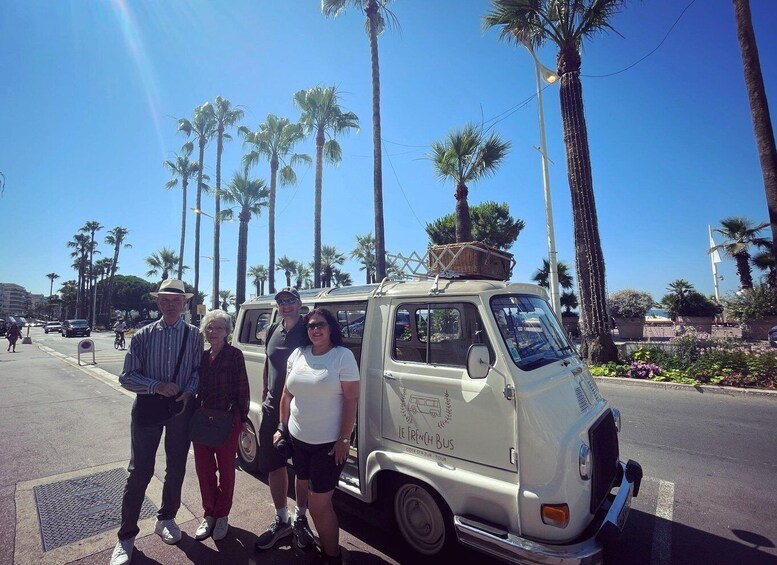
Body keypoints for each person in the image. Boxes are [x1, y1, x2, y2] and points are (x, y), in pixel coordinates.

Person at [110, 279, 203, 565]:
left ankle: (167, 518)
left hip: (180, 409)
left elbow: (198, 370)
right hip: (148, 408)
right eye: (165, 299)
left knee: (176, 467)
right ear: (158, 302)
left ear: (184, 303)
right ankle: (126, 537)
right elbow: (127, 376)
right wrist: (156, 385)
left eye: (177, 299)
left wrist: (188, 392)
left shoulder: (195, 335)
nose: (171, 304)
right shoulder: (143, 335)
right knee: (139, 471)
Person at [275, 308, 360, 565]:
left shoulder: (342, 357)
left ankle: (332, 557)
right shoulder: (298, 354)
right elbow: (286, 394)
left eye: (320, 324)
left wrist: (344, 439)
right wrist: (281, 427)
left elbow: (351, 399)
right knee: (302, 482)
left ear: (331, 327)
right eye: (311, 326)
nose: (315, 329)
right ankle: (309, 533)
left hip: (329, 446)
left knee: (320, 506)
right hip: (298, 440)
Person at [254, 287, 315, 551]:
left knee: (303, 469)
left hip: (302, 409)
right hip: (272, 410)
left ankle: (301, 518)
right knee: (274, 464)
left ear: (300, 304)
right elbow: (269, 362)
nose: (286, 305)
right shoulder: (272, 329)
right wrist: (265, 391)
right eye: (281, 301)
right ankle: (282, 520)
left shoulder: (310, 327)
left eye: (291, 301)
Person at [192, 309, 250, 542]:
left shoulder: (235, 355)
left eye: (218, 327)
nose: (213, 331)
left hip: (227, 419)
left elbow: (243, 388)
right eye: (209, 327)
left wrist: (243, 419)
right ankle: (209, 514)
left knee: (227, 471)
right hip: (202, 419)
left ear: (227, 331)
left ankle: (222, 514)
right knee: (204, 469)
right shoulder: (202, 357)